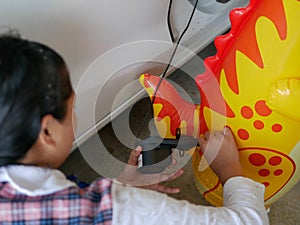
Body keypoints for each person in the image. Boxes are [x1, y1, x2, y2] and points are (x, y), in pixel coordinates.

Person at [0, 34, 269, 225]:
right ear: (47, 132)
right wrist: (228, 167)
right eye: (73, 107)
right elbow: (250, 221)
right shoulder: (115, 210)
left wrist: (124, 183)